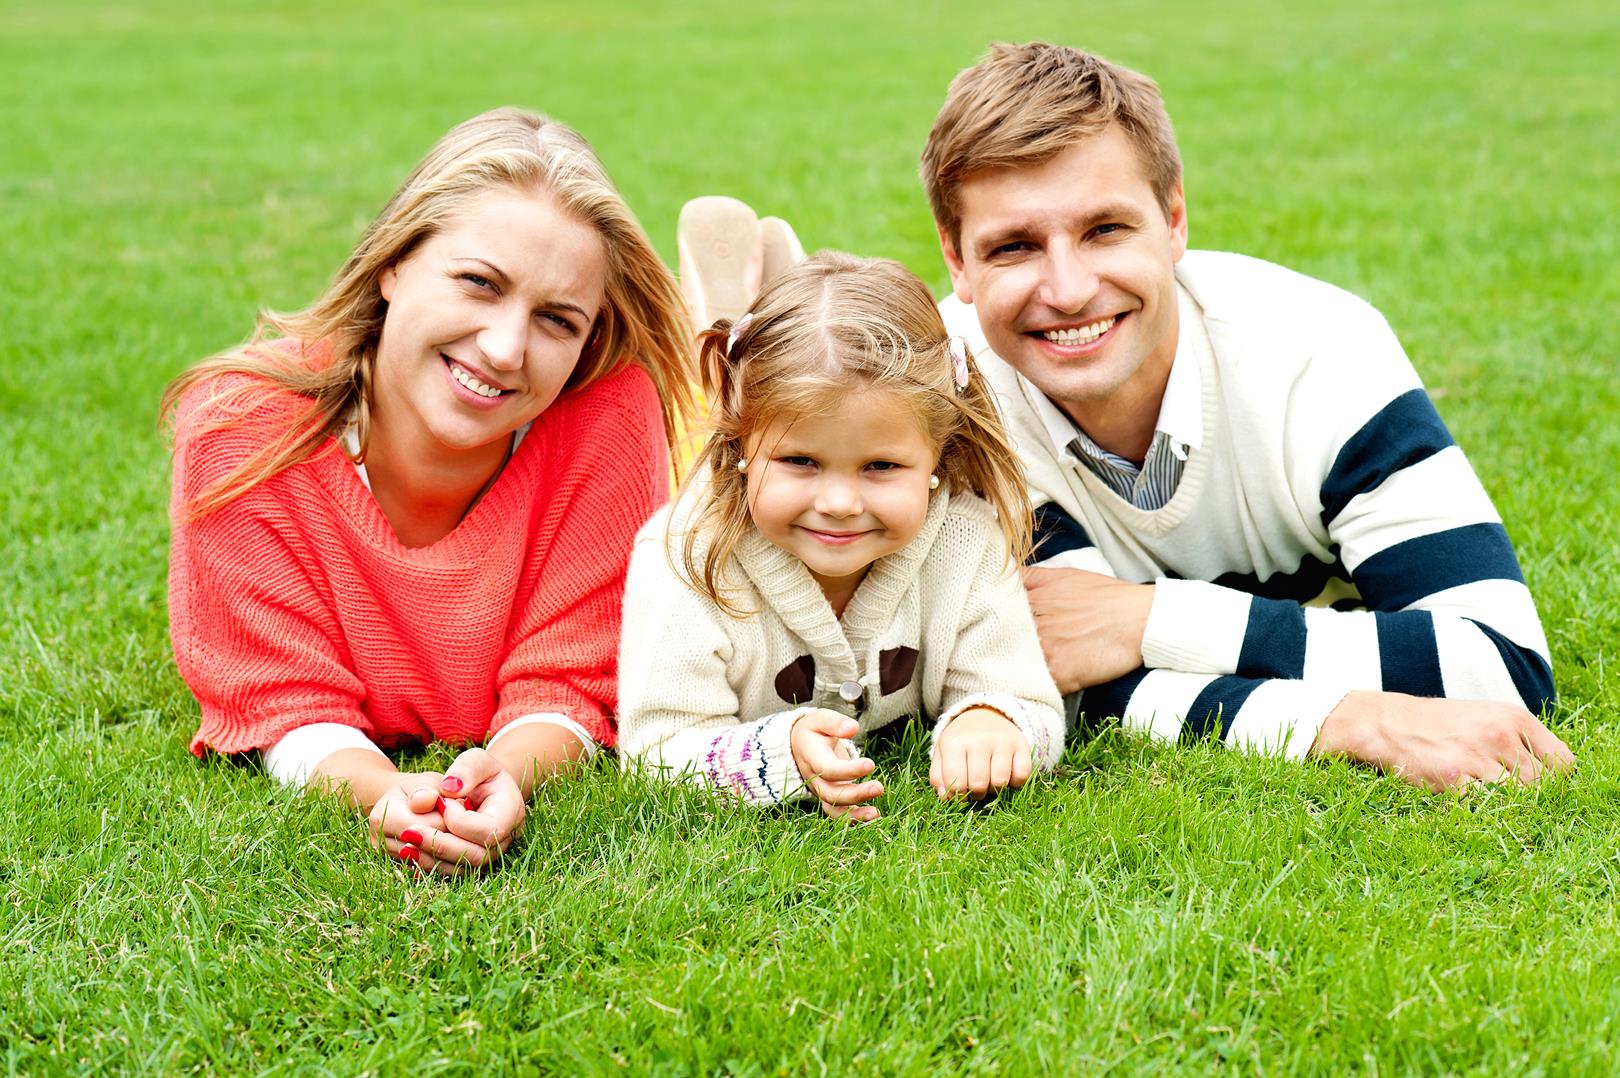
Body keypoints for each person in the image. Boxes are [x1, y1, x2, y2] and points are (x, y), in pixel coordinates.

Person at [920, 42, 1573, 790]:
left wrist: (1148, 620)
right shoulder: (954, 397)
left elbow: (1499, 664)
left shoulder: (1317, 350)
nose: (1067, 289)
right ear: (958, 261)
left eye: (1106, 229)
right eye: (1014, 246)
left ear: (1174, 220)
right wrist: (1348, 721)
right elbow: (1068, 677)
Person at [162, 107, 695, 874]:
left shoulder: (608, 411)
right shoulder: (243, 425)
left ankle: (733, 333)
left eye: (558, 320)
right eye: (479, 284)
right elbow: (280, 695)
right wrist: (381, 792)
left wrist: (507, 772)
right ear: (394, 262)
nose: (506, 348)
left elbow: (573, 676)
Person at [617, 253, 1065, 821]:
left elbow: (1033, 706)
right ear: (740, 447)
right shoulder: (685, 557)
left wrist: (994, 722)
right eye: (800, 460)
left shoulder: (965, 539)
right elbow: (655, 754)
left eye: (880, 466)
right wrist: (781, 753)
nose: (838, 504)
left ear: (938, 455)